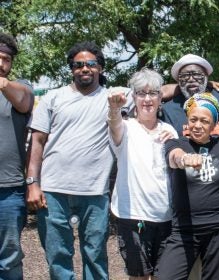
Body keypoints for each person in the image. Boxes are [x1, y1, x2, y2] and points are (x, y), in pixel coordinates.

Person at [26, 41, 113, 280]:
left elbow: (154, 90)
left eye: (91, 64)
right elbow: (38, 142)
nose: (85, 69)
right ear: (72, 69)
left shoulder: (114, 98)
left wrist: (203, 83)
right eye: (78, 65)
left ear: (101, 68)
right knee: (57, 257)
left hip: (95, 190)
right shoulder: (53, 98)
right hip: (53, 191)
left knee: (95, 255)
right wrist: (33, 183)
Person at [107, 68, 178, 279]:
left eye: (153, 93)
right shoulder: (126, 127)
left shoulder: (169, 130)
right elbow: (114, 124)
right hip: (132, 215)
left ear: (160, 98)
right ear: (134, 97)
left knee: (162, 275)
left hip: (165, 216)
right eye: (141, 93)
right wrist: (113, 109)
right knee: (138, 275)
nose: (147, 99)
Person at [158, 93, 219, 280]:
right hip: (184, 230)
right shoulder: (176, 143)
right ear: (187, 121)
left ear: (214, 123)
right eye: (193, 119)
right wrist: (184, 158)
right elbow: (174, 157)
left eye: (204, 120)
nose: (198, 125)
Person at [0, 32, 34, 280]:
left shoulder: (20, 88)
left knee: (8, 258)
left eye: (6, 59)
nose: (1, 64)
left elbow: (23, 101)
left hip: (8, 190)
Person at [161, 53, 219, 150]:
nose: (191, 79)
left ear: (206, 76)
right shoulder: (168, 111)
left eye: (197, 74)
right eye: (184, 76)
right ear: (178, 80)